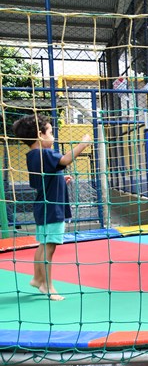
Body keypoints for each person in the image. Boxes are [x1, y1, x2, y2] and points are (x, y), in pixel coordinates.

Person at [13, 114, 92, 301]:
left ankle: (37, 277)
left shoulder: (32, 155)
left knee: (43, 244)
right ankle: (47, 286)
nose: (53, 136)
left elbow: (44, 178)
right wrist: (84, 143)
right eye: (50, 132)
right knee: (50, 247)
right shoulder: (45, 153)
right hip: (53, 208)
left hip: (43, 206)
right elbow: (65, 160)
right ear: (40, 135)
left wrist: (59, 179)